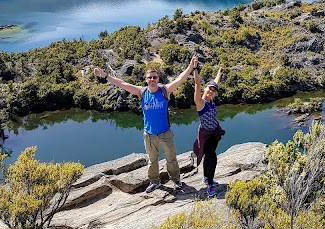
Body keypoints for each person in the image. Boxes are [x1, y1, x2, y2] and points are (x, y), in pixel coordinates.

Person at [93, 56, 198, 193]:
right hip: (149, 135)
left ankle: (176, 180)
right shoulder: (141, 92)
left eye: (154, 77)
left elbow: (180, 79)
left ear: (158, 79)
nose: (152, 80)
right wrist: (105, 76)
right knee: (152, 161)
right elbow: (122, 83)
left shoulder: (165, 91)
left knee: (171, 159)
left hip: (165, 133)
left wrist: (191, 66)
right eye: (150, 78)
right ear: (146, 80)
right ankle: (155, 182)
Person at [192, 66, 226, 198]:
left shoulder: (211, 100)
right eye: (209, 89)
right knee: (212, 159)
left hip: (213, 134)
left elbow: (215, 83)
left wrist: (219, 73)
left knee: (209, 156)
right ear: (204, 88)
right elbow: (197, 83)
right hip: (205, 135)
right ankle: (210, 186)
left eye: (213, 91)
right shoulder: (201, 103)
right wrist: (194, 69)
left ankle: (206, 178)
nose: (211, 92)